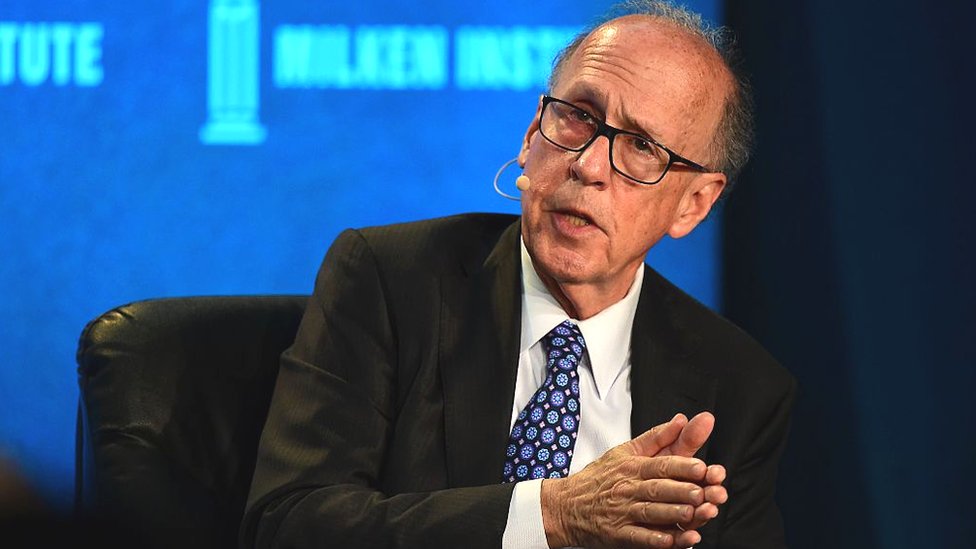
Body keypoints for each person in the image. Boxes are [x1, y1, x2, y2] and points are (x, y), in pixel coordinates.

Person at [240, 1, 795, 548]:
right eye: (579, 115)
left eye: (641, 146)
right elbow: (289, 523)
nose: (588, 164)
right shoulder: (390, 281)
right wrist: (550, 515)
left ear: (693, 204)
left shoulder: (739, 389)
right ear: (533, 132)